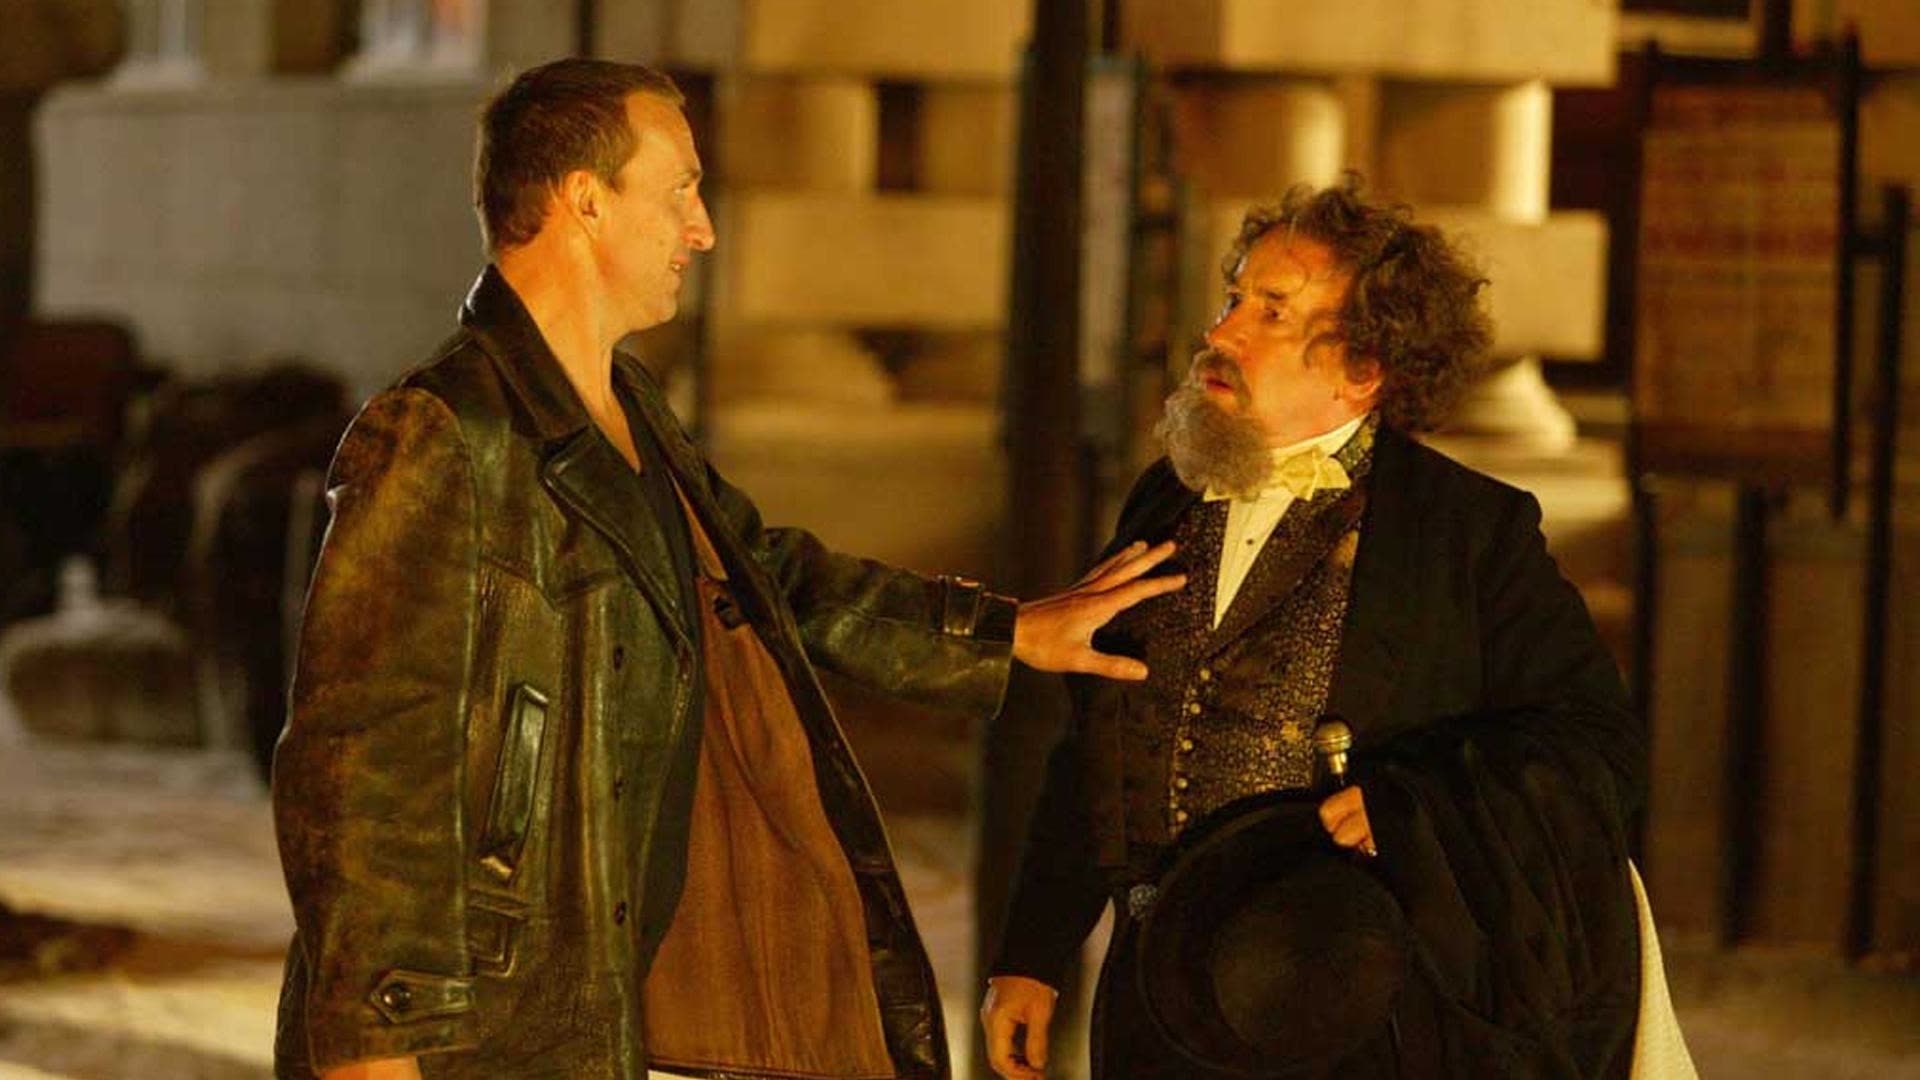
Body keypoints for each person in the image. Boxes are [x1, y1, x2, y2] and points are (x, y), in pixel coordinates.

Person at [271, 58, 1181, 1080]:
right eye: (679, 191)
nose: (701, 230)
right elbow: (358, 770)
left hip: (575, 1016)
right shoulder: (442, 431)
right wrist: (377, 1046)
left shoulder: (627, 405)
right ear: (585, 200)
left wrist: (1003, 633)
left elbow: (764, 577)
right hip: (472, 1030)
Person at [980, 177, 1648, 1078]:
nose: (1221, 334)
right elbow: (1096, 737)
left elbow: (1596, 746)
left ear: (1361, 368)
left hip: (1346, 1008)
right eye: (1233, 299)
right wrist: (1032, 954)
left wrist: (1412, 807)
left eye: (1272, 311)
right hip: (1155, 1011)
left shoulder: (1464, 532)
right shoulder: (1165, 497)